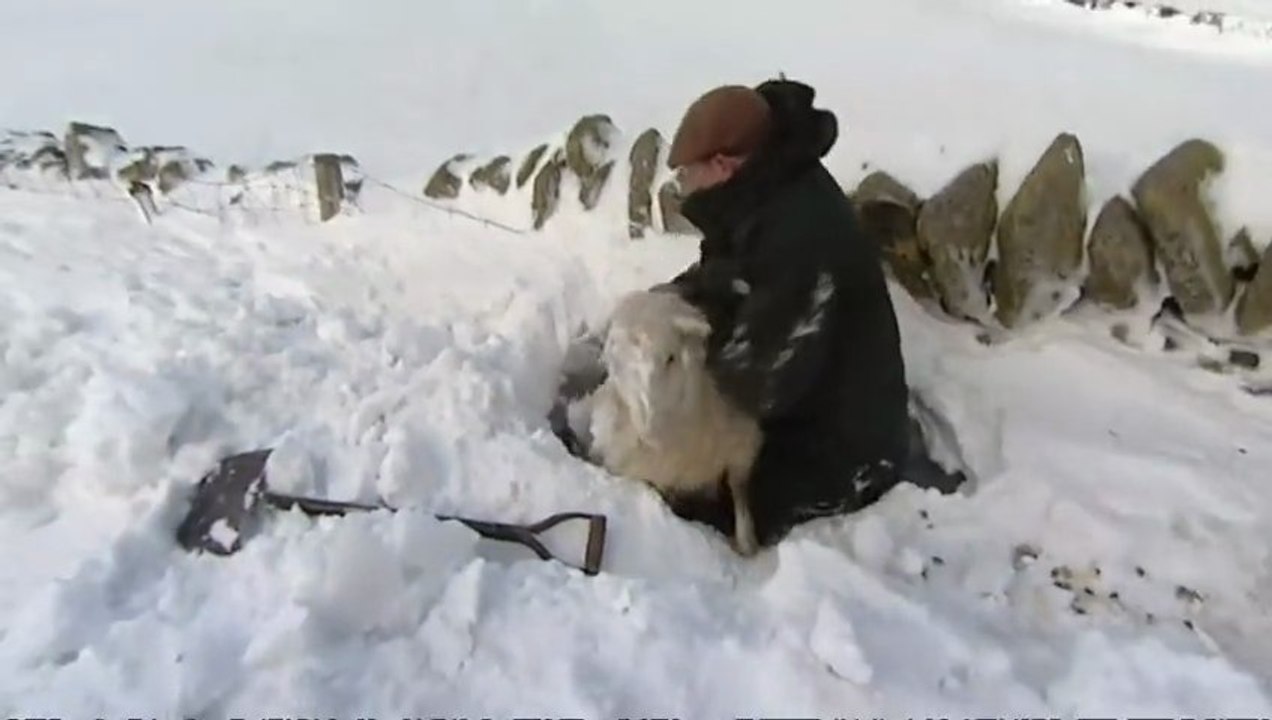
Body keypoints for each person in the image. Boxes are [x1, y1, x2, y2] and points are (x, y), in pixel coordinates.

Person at [552, 77, 918, 549]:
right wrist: (669, 302)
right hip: (807, 388)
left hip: (840, 450)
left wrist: (680, 351)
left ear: (722, 165)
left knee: (680, 487)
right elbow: (729, 273)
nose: (683, 185)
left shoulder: (802, 241)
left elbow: (757, 380)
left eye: (688, 174)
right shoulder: (767, 184)